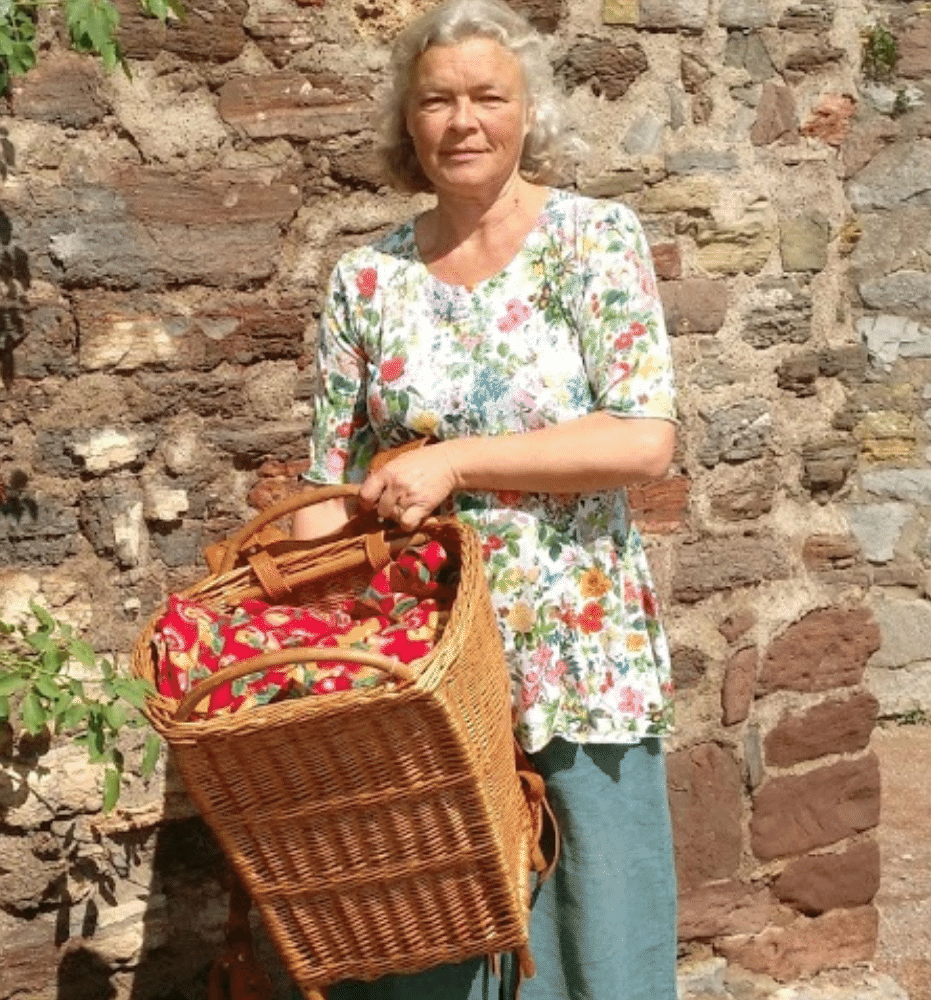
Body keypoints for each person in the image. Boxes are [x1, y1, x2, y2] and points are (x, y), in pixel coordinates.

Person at [289, 1, 680, 998]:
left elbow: (642, 438)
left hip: (572, 649)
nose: (461, 120)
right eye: (436, 100)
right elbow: (325, 489)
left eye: (485, 96)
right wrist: (303, 645)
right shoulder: (365, 279)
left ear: (525, 113)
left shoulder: (593, 241)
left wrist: (456, 461)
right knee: (425, 946)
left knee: (599, 940)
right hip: (419, 667)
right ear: (407, 123)